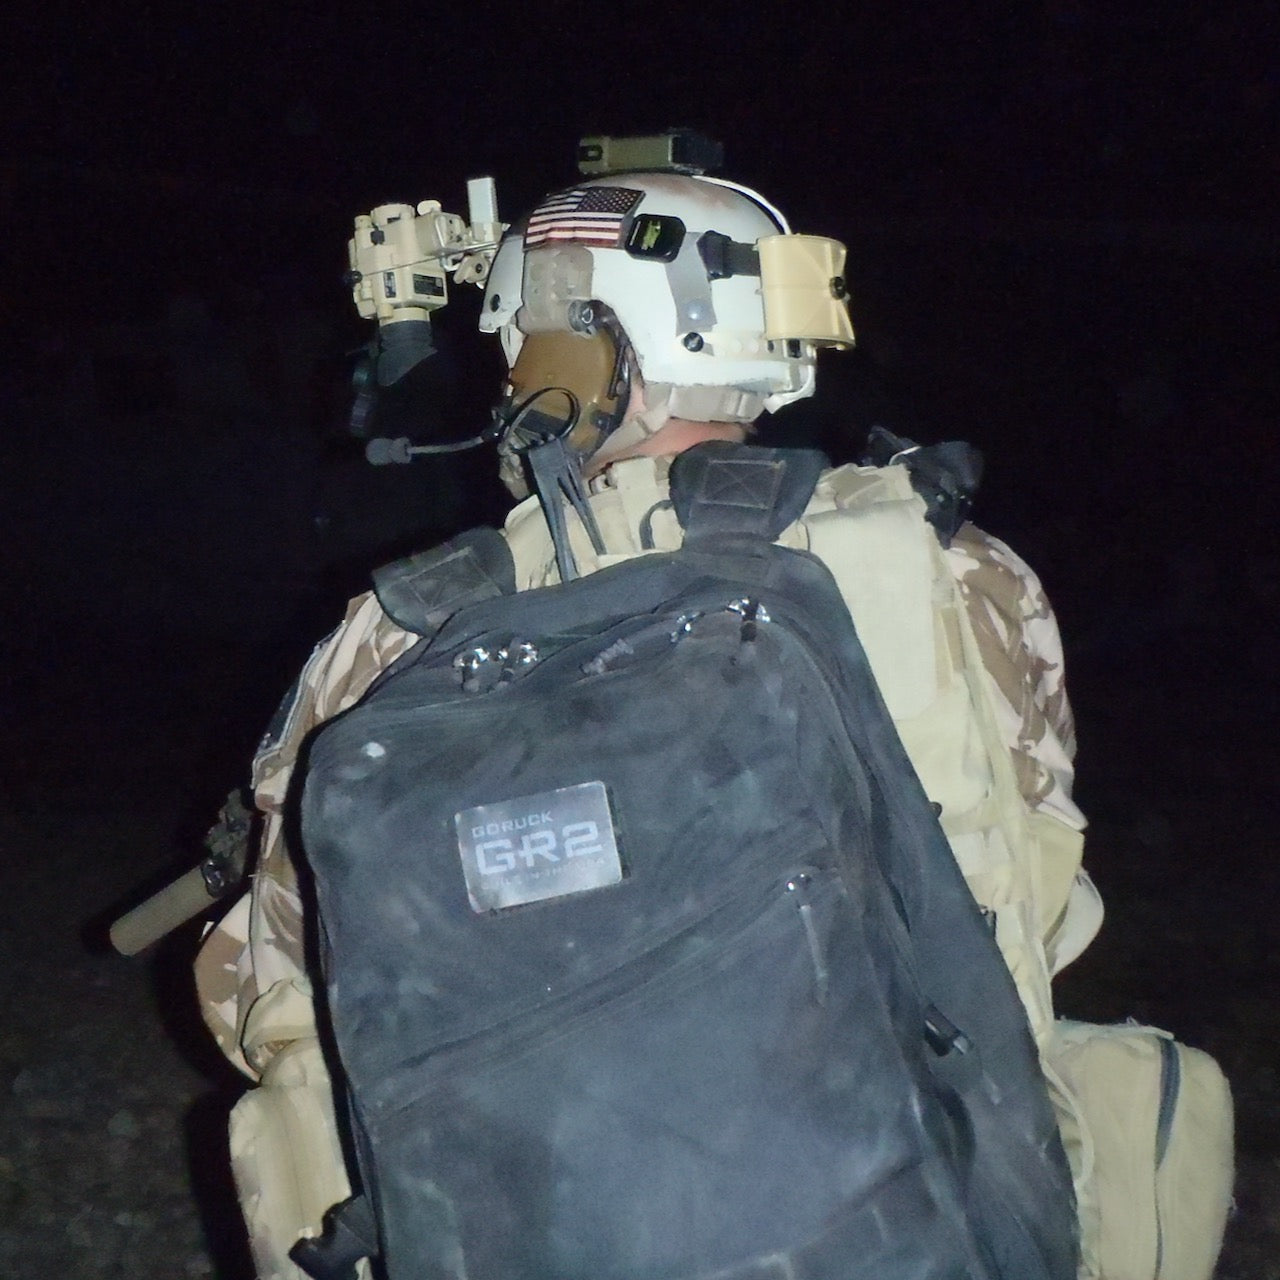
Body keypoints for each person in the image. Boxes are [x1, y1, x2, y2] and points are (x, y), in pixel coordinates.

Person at [195, 168, 1097, 1279]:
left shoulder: (401, 633)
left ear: (567, 350)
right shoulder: (955, 574)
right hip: (909, 1217)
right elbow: (1029, 899)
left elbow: (270, 985)